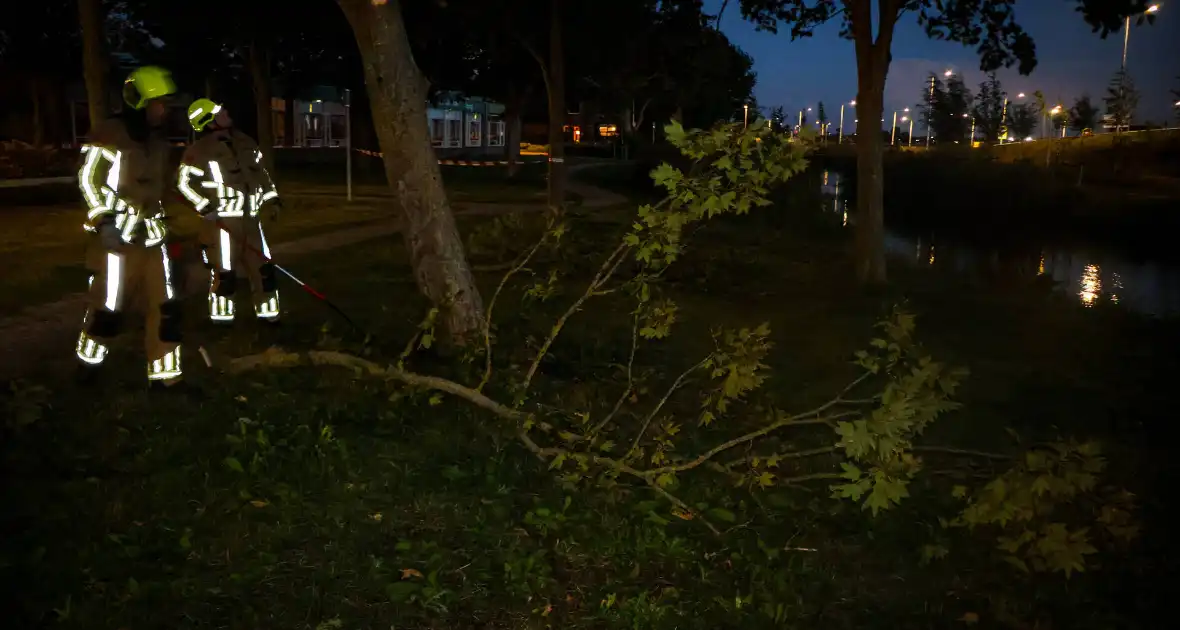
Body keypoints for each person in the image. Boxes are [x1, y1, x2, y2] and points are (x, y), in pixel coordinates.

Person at [75, 65, 193, 393]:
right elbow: (89, 180)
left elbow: (160, 188)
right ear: (139, 102)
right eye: (159, 102)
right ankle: (89, 365)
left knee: (165, 308)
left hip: (153, 240)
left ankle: (167, 378)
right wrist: (104, 223)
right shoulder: (108, 135)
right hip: (117, 242)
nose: (164, 109)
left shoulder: (159, 143)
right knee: (108, 307)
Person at [177, 98, 283, 325]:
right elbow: (184, 184)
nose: (225, 111)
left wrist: (272, 201)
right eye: (219, 111)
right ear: (208, 121)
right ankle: (222, 323)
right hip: (223, 224)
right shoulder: (199, 151)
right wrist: (205, 207)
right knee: (225, 276)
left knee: (264, 271)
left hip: (251, 220)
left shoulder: (246, 142)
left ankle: (270, 319)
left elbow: (261, 176)